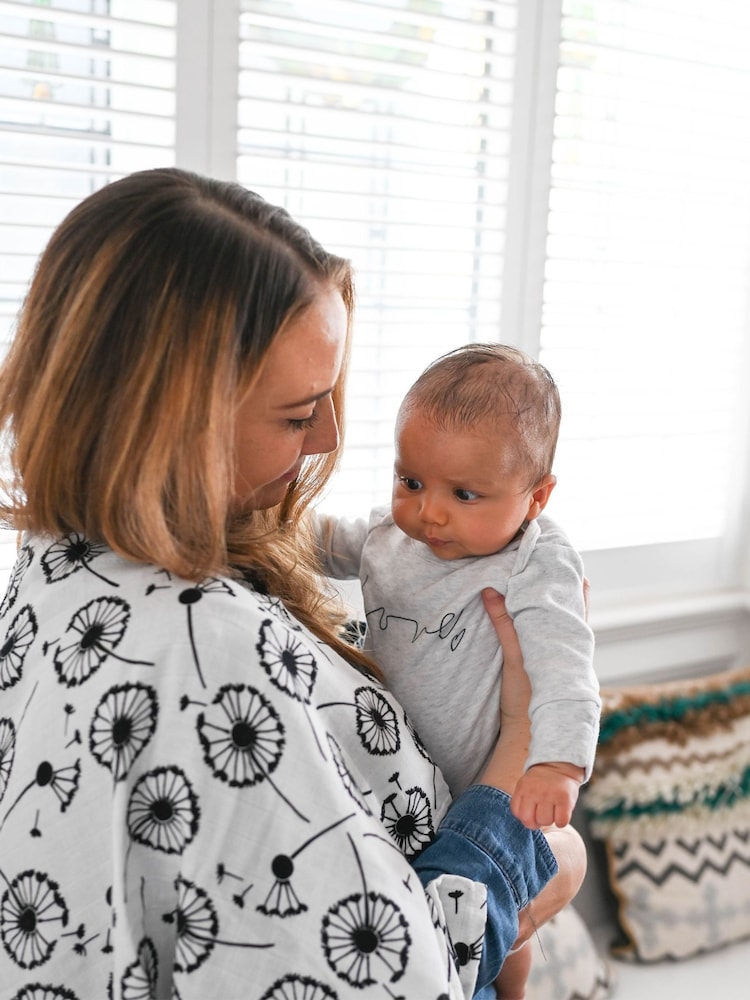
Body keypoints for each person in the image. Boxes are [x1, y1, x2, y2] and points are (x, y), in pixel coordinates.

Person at [0, 169, 583, 1000]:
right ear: (170, 412)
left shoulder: (59, 561)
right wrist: (520, 778)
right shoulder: (206, 650)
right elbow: (392, 980)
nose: (332, 436)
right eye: (296, 412)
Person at [314, 344, 601, 998]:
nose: (430, 512)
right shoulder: (397, 531)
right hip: (407, 780)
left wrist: (557, 763)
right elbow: (329, 543)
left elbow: (565, 667)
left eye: (464, 494)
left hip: (480, 778)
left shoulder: (536, 560)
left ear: (536, 497)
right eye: (410, 481)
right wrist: (265, 530)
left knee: (511, 925)